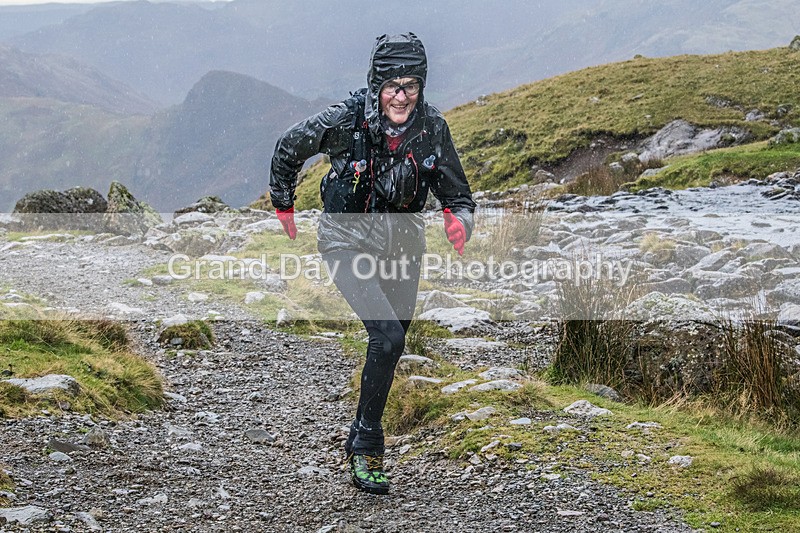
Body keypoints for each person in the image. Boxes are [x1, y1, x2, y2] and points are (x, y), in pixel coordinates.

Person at [269, 32, 476, 495]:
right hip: (345, 240)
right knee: (389, 334)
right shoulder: (345, 120)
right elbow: (288, 147)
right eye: (391, 85)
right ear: (375, 84)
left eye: (411, 85)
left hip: (404, 246)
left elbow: (458, 194)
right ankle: (366, 448)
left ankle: (363, 435)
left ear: (422, 86)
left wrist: (458, 220)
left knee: (390, 344)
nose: (401, 96)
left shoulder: (432, 128)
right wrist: (284, 204)